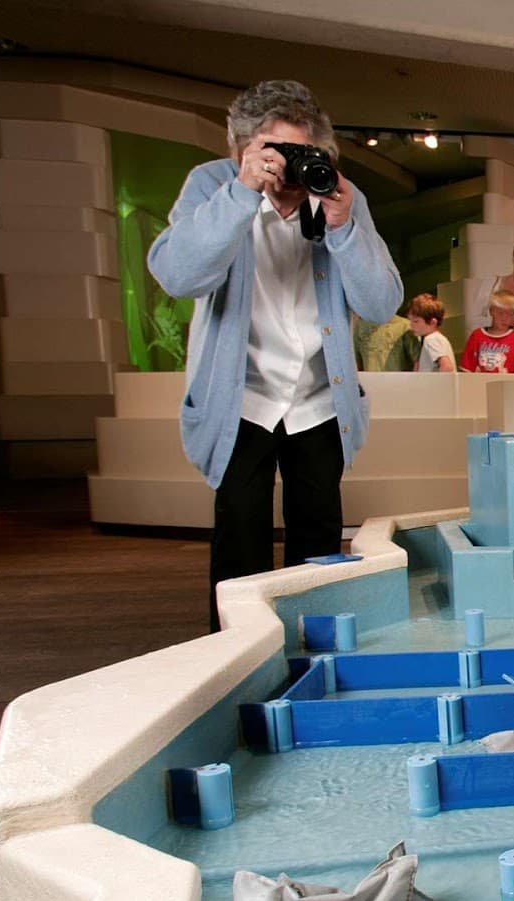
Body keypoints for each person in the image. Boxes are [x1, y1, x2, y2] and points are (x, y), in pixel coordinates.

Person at [147, 79, 401, 631]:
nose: (288, 169)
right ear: (243, 150)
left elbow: (381, 303)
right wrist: (240, 194)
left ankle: (313, 659)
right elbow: (177, 275)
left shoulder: (335, 196)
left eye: (301, 153)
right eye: (274, 152)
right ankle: (237, 657)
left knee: (317, 548)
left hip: (319, 402)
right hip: (240, 400)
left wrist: (345, 225)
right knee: (239, 542)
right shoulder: (212, 185)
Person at [459, 290, 514, 373]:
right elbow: (466, 370)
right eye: (500, 313)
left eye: (509, 314)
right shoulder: (477, 336)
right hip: (479, 384)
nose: (504, 318)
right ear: (491, 311)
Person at [407, 294, 455, 372]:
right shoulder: (439, 338)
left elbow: (447, 367)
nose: (411, 325)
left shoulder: (431, 339)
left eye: (416, 321)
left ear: (433, 322)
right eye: (410, 320)